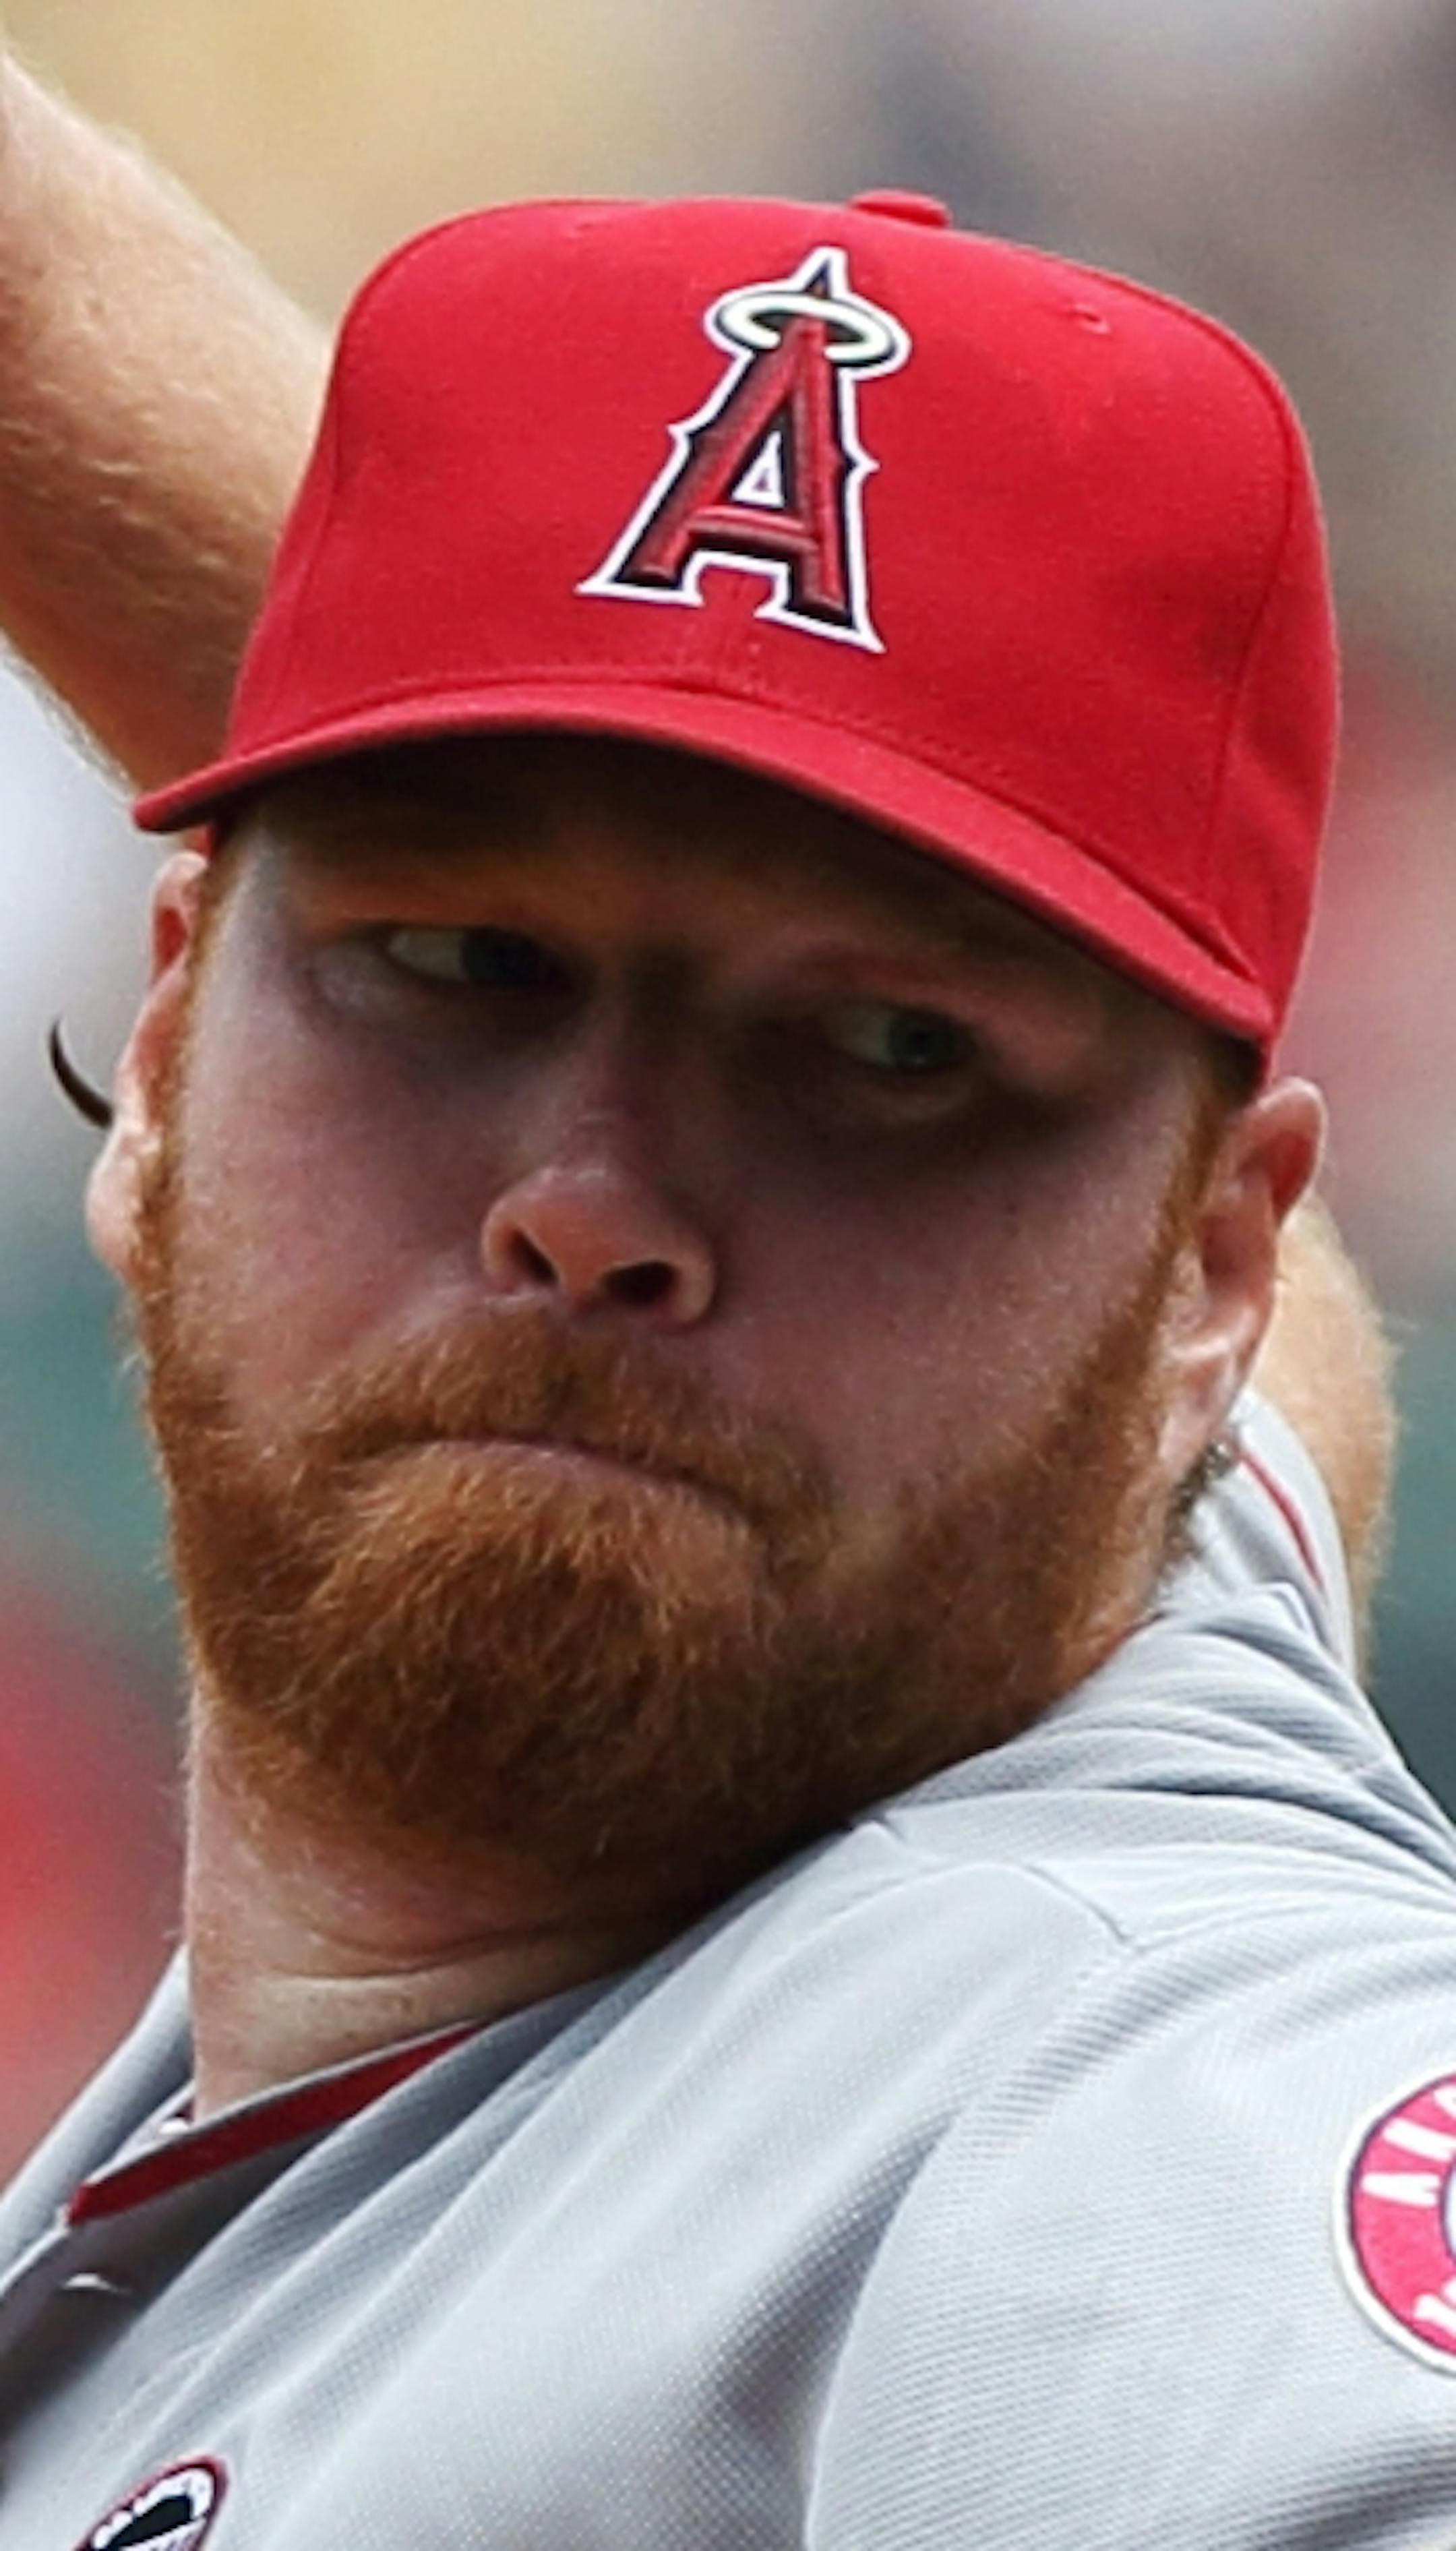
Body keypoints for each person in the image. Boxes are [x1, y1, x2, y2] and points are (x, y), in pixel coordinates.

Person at [0, 57, 1443, 2551]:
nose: (595, 1201)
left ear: (1204, 1282)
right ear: (160, 1052)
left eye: (890, 1052)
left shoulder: (1130, 2085)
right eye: (453, 958)